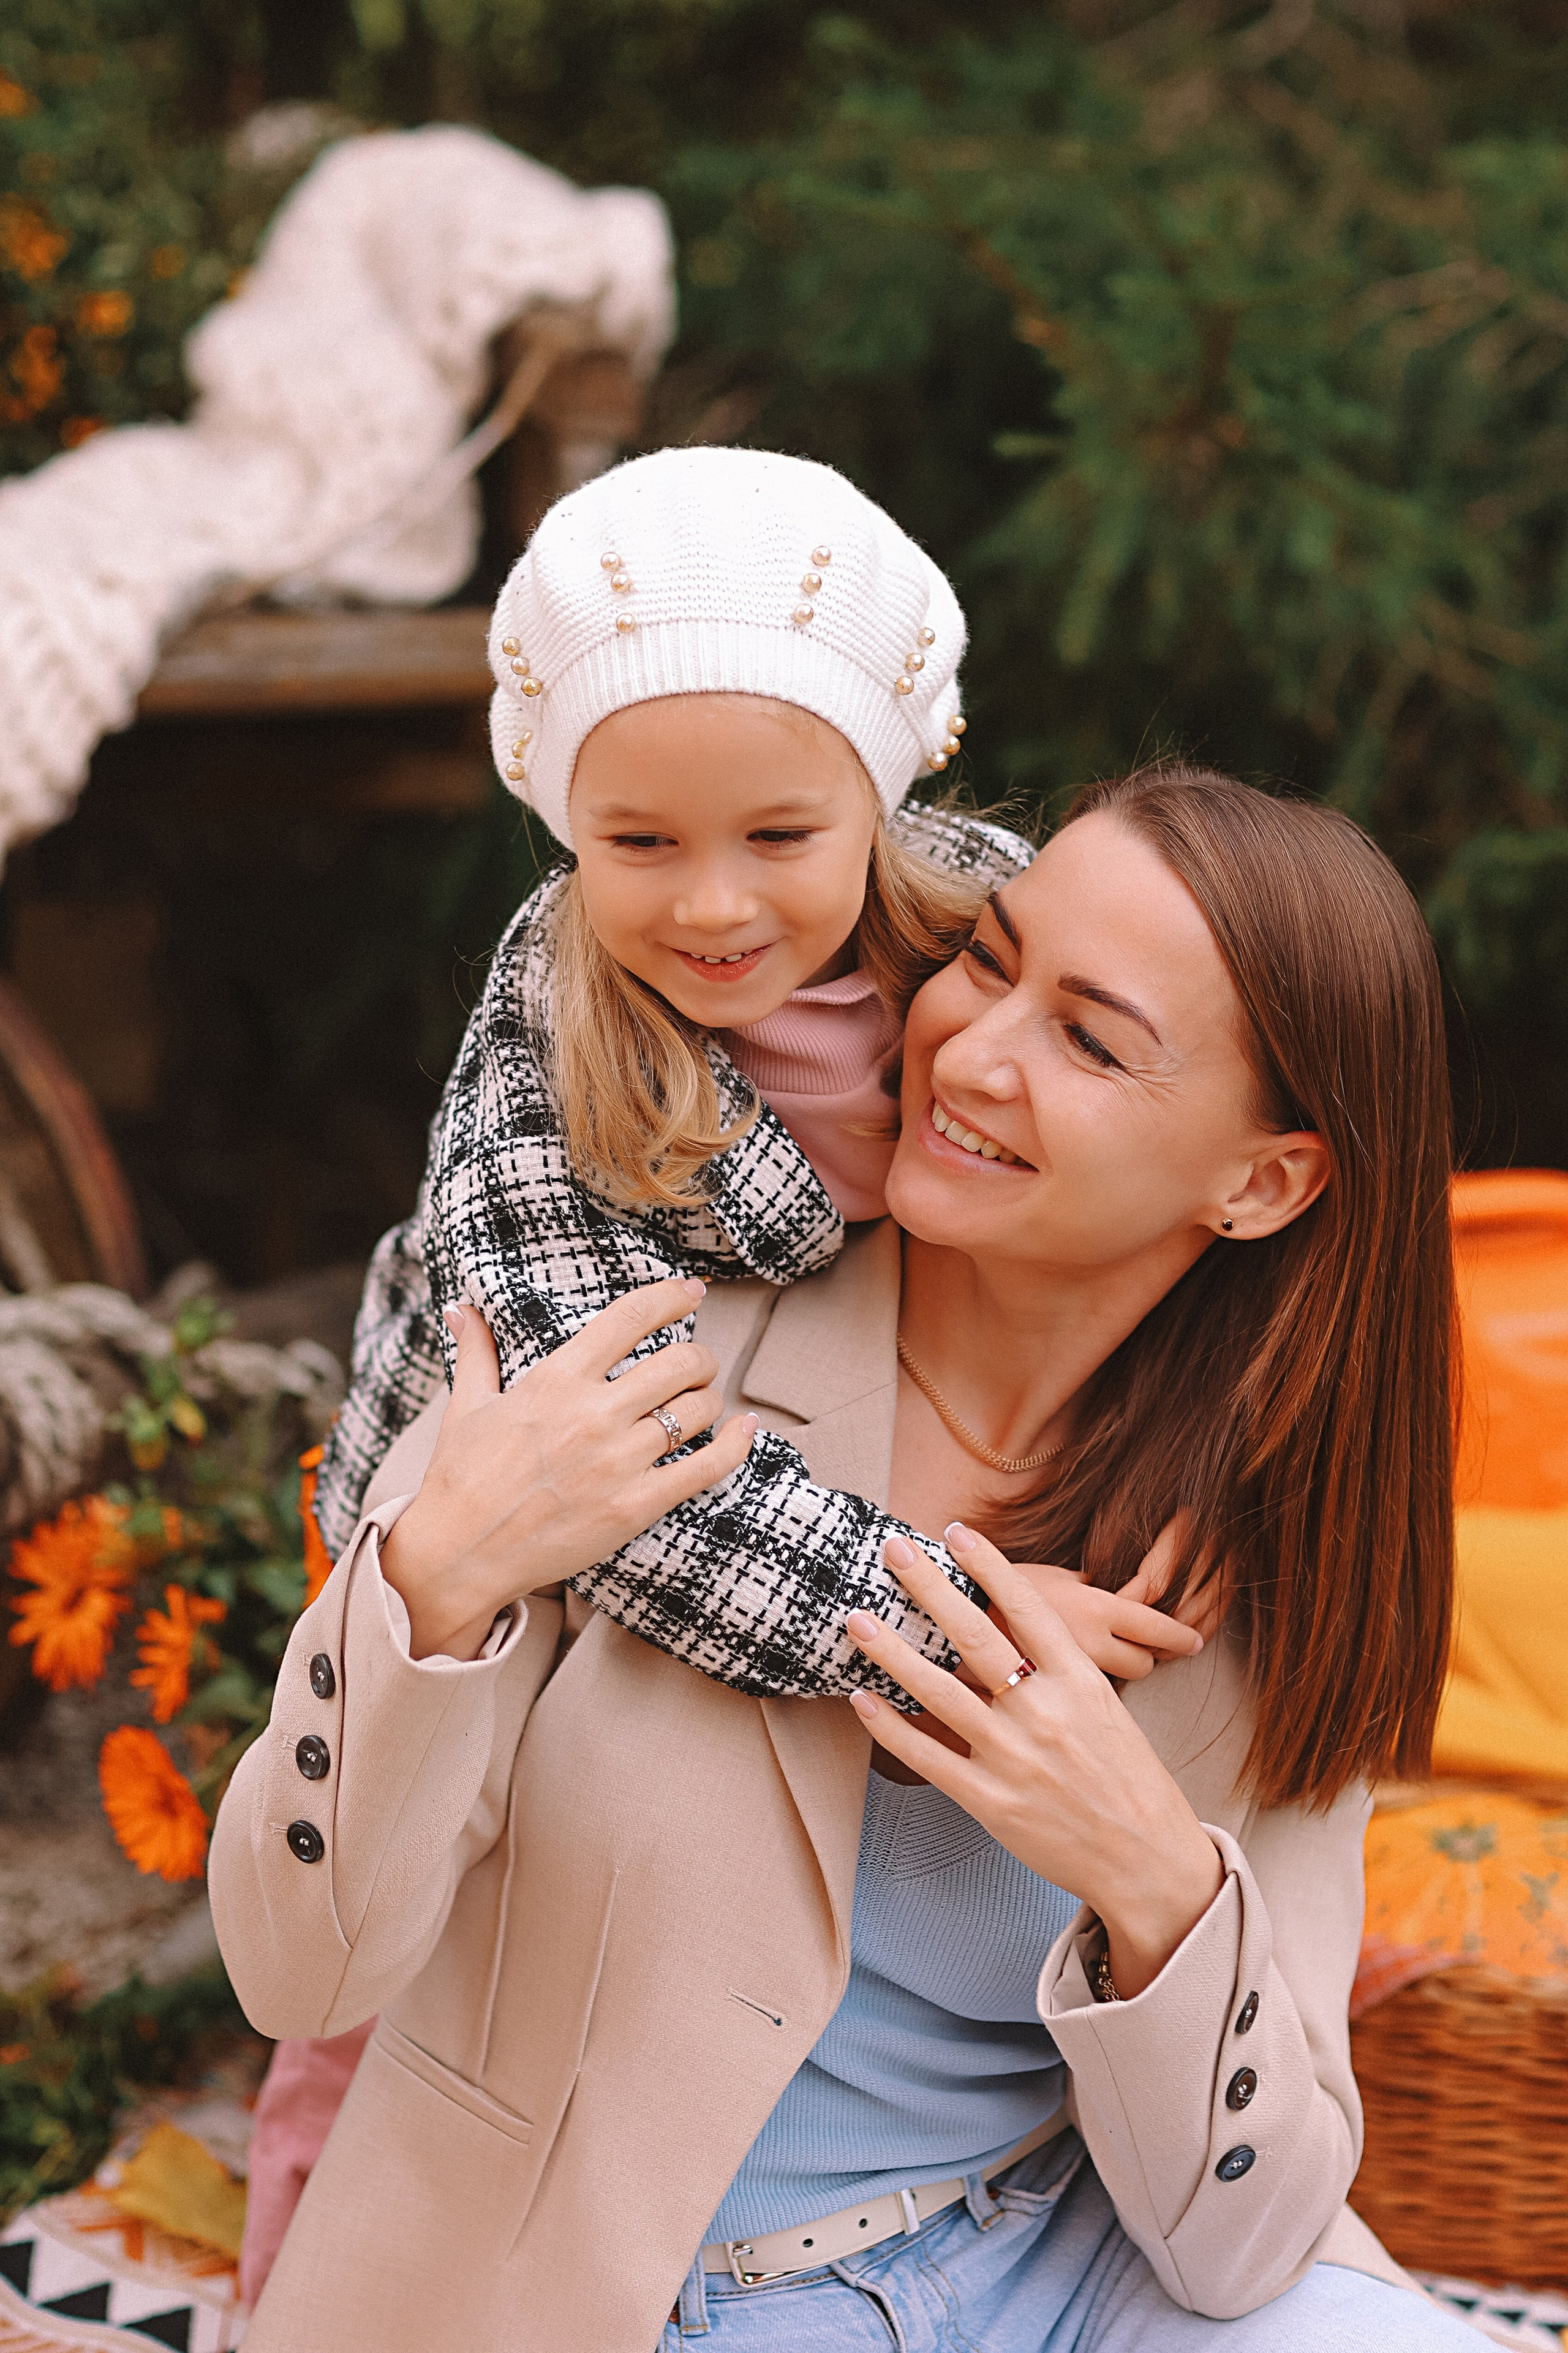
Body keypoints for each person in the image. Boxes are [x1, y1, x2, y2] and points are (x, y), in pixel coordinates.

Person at [212, 763, 1491, 2351]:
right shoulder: (630, 1360)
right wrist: (438, 1580)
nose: (973, 1050)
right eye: (988, 960)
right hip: (638, 2303)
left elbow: (1247, 2246)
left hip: (1069, 2274)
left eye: (1090, 1040)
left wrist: (1152, 1881)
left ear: (1262, 1180)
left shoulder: (1256, 1549)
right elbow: (297, 1970)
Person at [239, 445, 1210, 2303]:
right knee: (422, 1962)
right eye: (639, 845)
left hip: (806, 1409)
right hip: (510, 1487)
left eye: (779, 838)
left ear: (880, 796)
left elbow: (1151, 1098)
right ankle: (338, 2267)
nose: (711, 906)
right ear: (563, 824)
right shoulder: (550, 1045)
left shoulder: (975, 932)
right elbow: (617, 1485)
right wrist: (951, 1627)